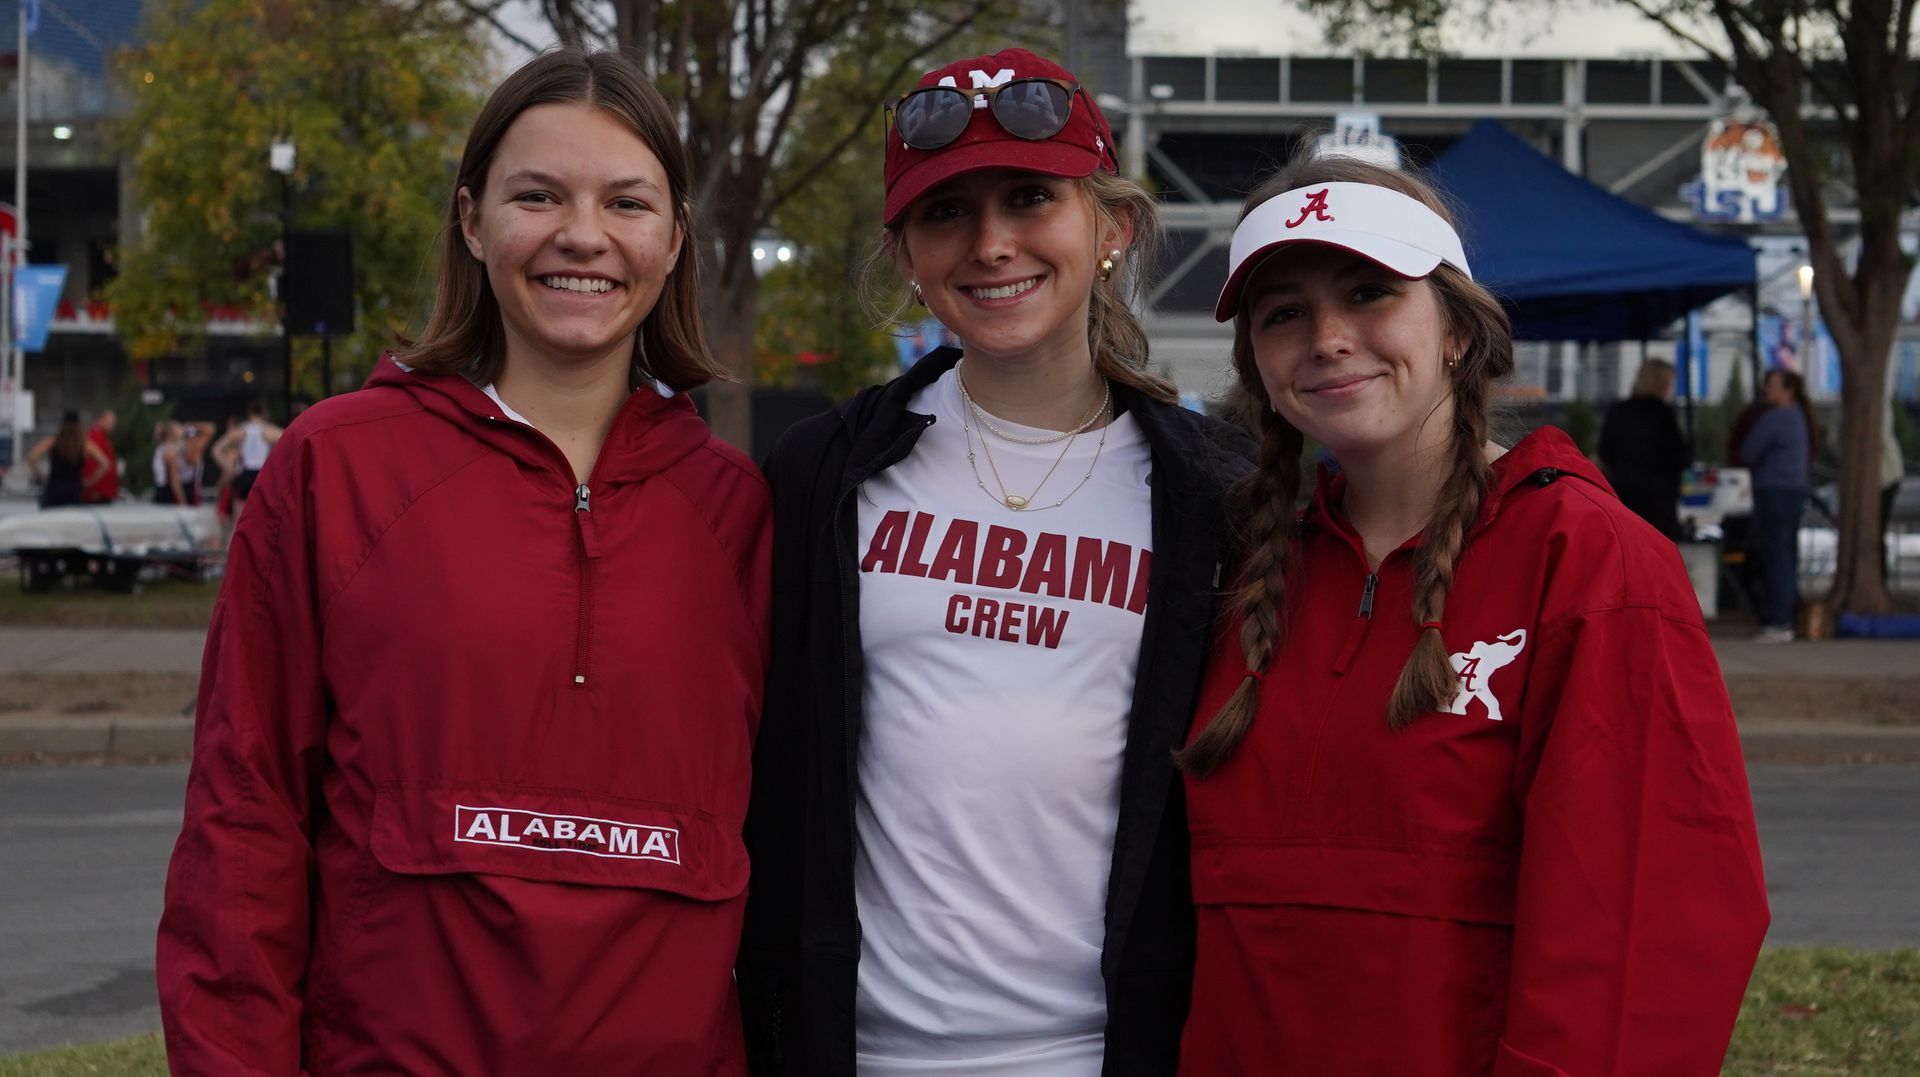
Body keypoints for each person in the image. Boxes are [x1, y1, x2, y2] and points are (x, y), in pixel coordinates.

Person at [157, 48, 771, 1074]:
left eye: (626, 202)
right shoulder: (337, 468)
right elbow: (242, 824)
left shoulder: (739, 511)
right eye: (538, 195)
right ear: (472, 221)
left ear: (672, 241)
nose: (583, 235)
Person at [1176, 155, 1768, 1075]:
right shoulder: (1241, 569)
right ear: (1256, 358)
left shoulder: (1589, 559)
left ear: (1455, 327)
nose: (1328, 337)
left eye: (1370, 292)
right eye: (1283, 311)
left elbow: (1646, 938)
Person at [738, 46, 1253, 1076]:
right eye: (945, 214)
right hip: (858, 1049)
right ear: (906, 256)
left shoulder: (1216, 497)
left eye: (1029, 199)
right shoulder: (823, 475)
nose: (991, 245)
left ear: (1110, 229)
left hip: (1101, 1052)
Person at [1740, 367, 1815, 642]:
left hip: (1773, 490)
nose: (1767, 390)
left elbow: (1748, 451)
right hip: (1794, 490)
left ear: (1788, 389)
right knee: (1787, 555)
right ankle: (1788, 615)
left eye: (1772, 385)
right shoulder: (1798, 417)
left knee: (1776, 556)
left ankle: (1779, 620)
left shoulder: (1776, 418)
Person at [1598, 357, 1689, 539]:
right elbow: (1679, 457)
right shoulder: (1664, 415)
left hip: (1624, 495)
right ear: (1662, 383)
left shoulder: (1617, 412)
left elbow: (1604, 454)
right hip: (1659, 501)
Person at [26, 410, 109, 509]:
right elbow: (104, 463)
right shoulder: (84, 445)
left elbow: (32, 457)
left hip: (54, 487)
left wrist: (42, 476)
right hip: (74, 488)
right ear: (79, 425)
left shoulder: (53, 441)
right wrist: (88, 482)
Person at [83, 407, 119, 502]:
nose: (112, 425)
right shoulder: (95, 436)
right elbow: (91, 464)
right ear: (101, 419)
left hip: (105, 491)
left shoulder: (102, 436)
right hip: (98, 492)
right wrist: (93, 487)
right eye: (110, 422)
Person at [149, 421, 189, 505]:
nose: (182, 430)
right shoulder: (169, 451)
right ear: (172, 433)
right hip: (167, 493)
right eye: (179, 428)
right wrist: (182, 500)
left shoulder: (163, 447)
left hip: (161, 490)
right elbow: (174, 479)